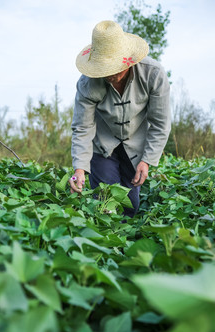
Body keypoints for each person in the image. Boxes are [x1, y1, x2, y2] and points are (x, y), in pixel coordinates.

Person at [69, 20, 171, 217]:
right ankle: (104, 245)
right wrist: (80, 169)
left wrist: (148, 161)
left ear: (128, 60)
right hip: (102, 146)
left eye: (113, 67)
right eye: (103, 68)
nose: (108, 75)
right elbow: (82, 127)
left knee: (130, 207)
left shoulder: (153, 74)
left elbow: (160, 124)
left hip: (135, 145)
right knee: (106, 204)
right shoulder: (87, 84)